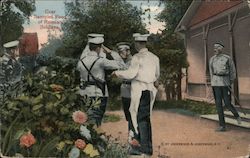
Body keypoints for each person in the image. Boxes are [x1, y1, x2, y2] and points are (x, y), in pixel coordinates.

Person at [112, 33, 160, 157]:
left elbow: (131, 74)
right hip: (149, 90)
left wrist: (117, 73)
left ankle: (141, 149)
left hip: (138, 90)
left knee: (138, 119)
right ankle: (147, 148)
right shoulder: (155, 57)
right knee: (145, 118)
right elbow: (157, 75)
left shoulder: (137, 57)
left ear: (137, 44)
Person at [77, 36, 125, 126]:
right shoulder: (100, 61)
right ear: (99, 48)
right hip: (98, 93)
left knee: (84, 120)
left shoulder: (81, 61)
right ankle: (94, 138)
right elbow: (121, 65)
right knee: (96, 120)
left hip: (83, 93)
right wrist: (111, 52)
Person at [209, 42, 241, 132]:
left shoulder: (227, 58)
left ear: (221, 48)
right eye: (214, 47)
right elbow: (211, 72)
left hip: (225, 83)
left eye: (217, 47)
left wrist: (230, 81)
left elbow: (232, 71)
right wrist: (213, 82)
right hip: (216, 84)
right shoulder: (212, 59)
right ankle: (222, 126)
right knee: (218, 105)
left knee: (227, 103)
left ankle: (237, 116)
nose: (215, 49)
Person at [116, 42, 134, 142]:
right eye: (119, 51)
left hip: (133, 88)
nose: (119, 53)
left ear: (128, 51)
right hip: (124, 89)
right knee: (128, 115)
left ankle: (132, 137)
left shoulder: (134, 61)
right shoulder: (122, 61)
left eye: (121, 51)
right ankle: (131, 134)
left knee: (132, 114)